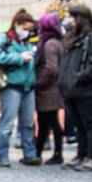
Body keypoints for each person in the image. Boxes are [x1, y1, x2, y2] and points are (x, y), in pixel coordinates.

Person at [57, 5, 92, 171]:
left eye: (72, 17)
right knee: (79, 125)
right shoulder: (72, 39)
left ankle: (91, 157)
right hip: (71, 89)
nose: (69, 21)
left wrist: (78, 78)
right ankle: (81, 154)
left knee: (90, 123)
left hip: (87, 89)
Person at [0, 10, 41, 167]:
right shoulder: (4, 38)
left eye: (30, 29)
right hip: (11, 86)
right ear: (17, 25)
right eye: (25, 28)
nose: (27, 32)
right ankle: (3, 156)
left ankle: (29, 154)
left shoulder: (26, 42)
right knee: (7, 123)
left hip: (28, 86)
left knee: (27, 123)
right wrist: (19, 58)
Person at [33, 11, 65, 165]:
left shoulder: (50, 43)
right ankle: (38, 152)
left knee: (51, 122)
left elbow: (52, 68)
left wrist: (38, 83)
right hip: (48, 88)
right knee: (45, 122)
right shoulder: (55, 42)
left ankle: (57, 153)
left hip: (47, 89)